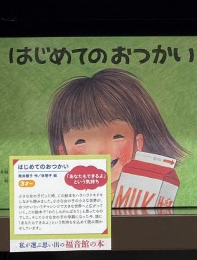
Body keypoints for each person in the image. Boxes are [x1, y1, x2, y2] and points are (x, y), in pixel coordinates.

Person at [47, 68, 186, 195]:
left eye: (117, 136)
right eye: (80, 141)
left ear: (138, 143)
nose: (100, 152)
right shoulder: (62, 197)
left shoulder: (148, 193)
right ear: (63, 152)